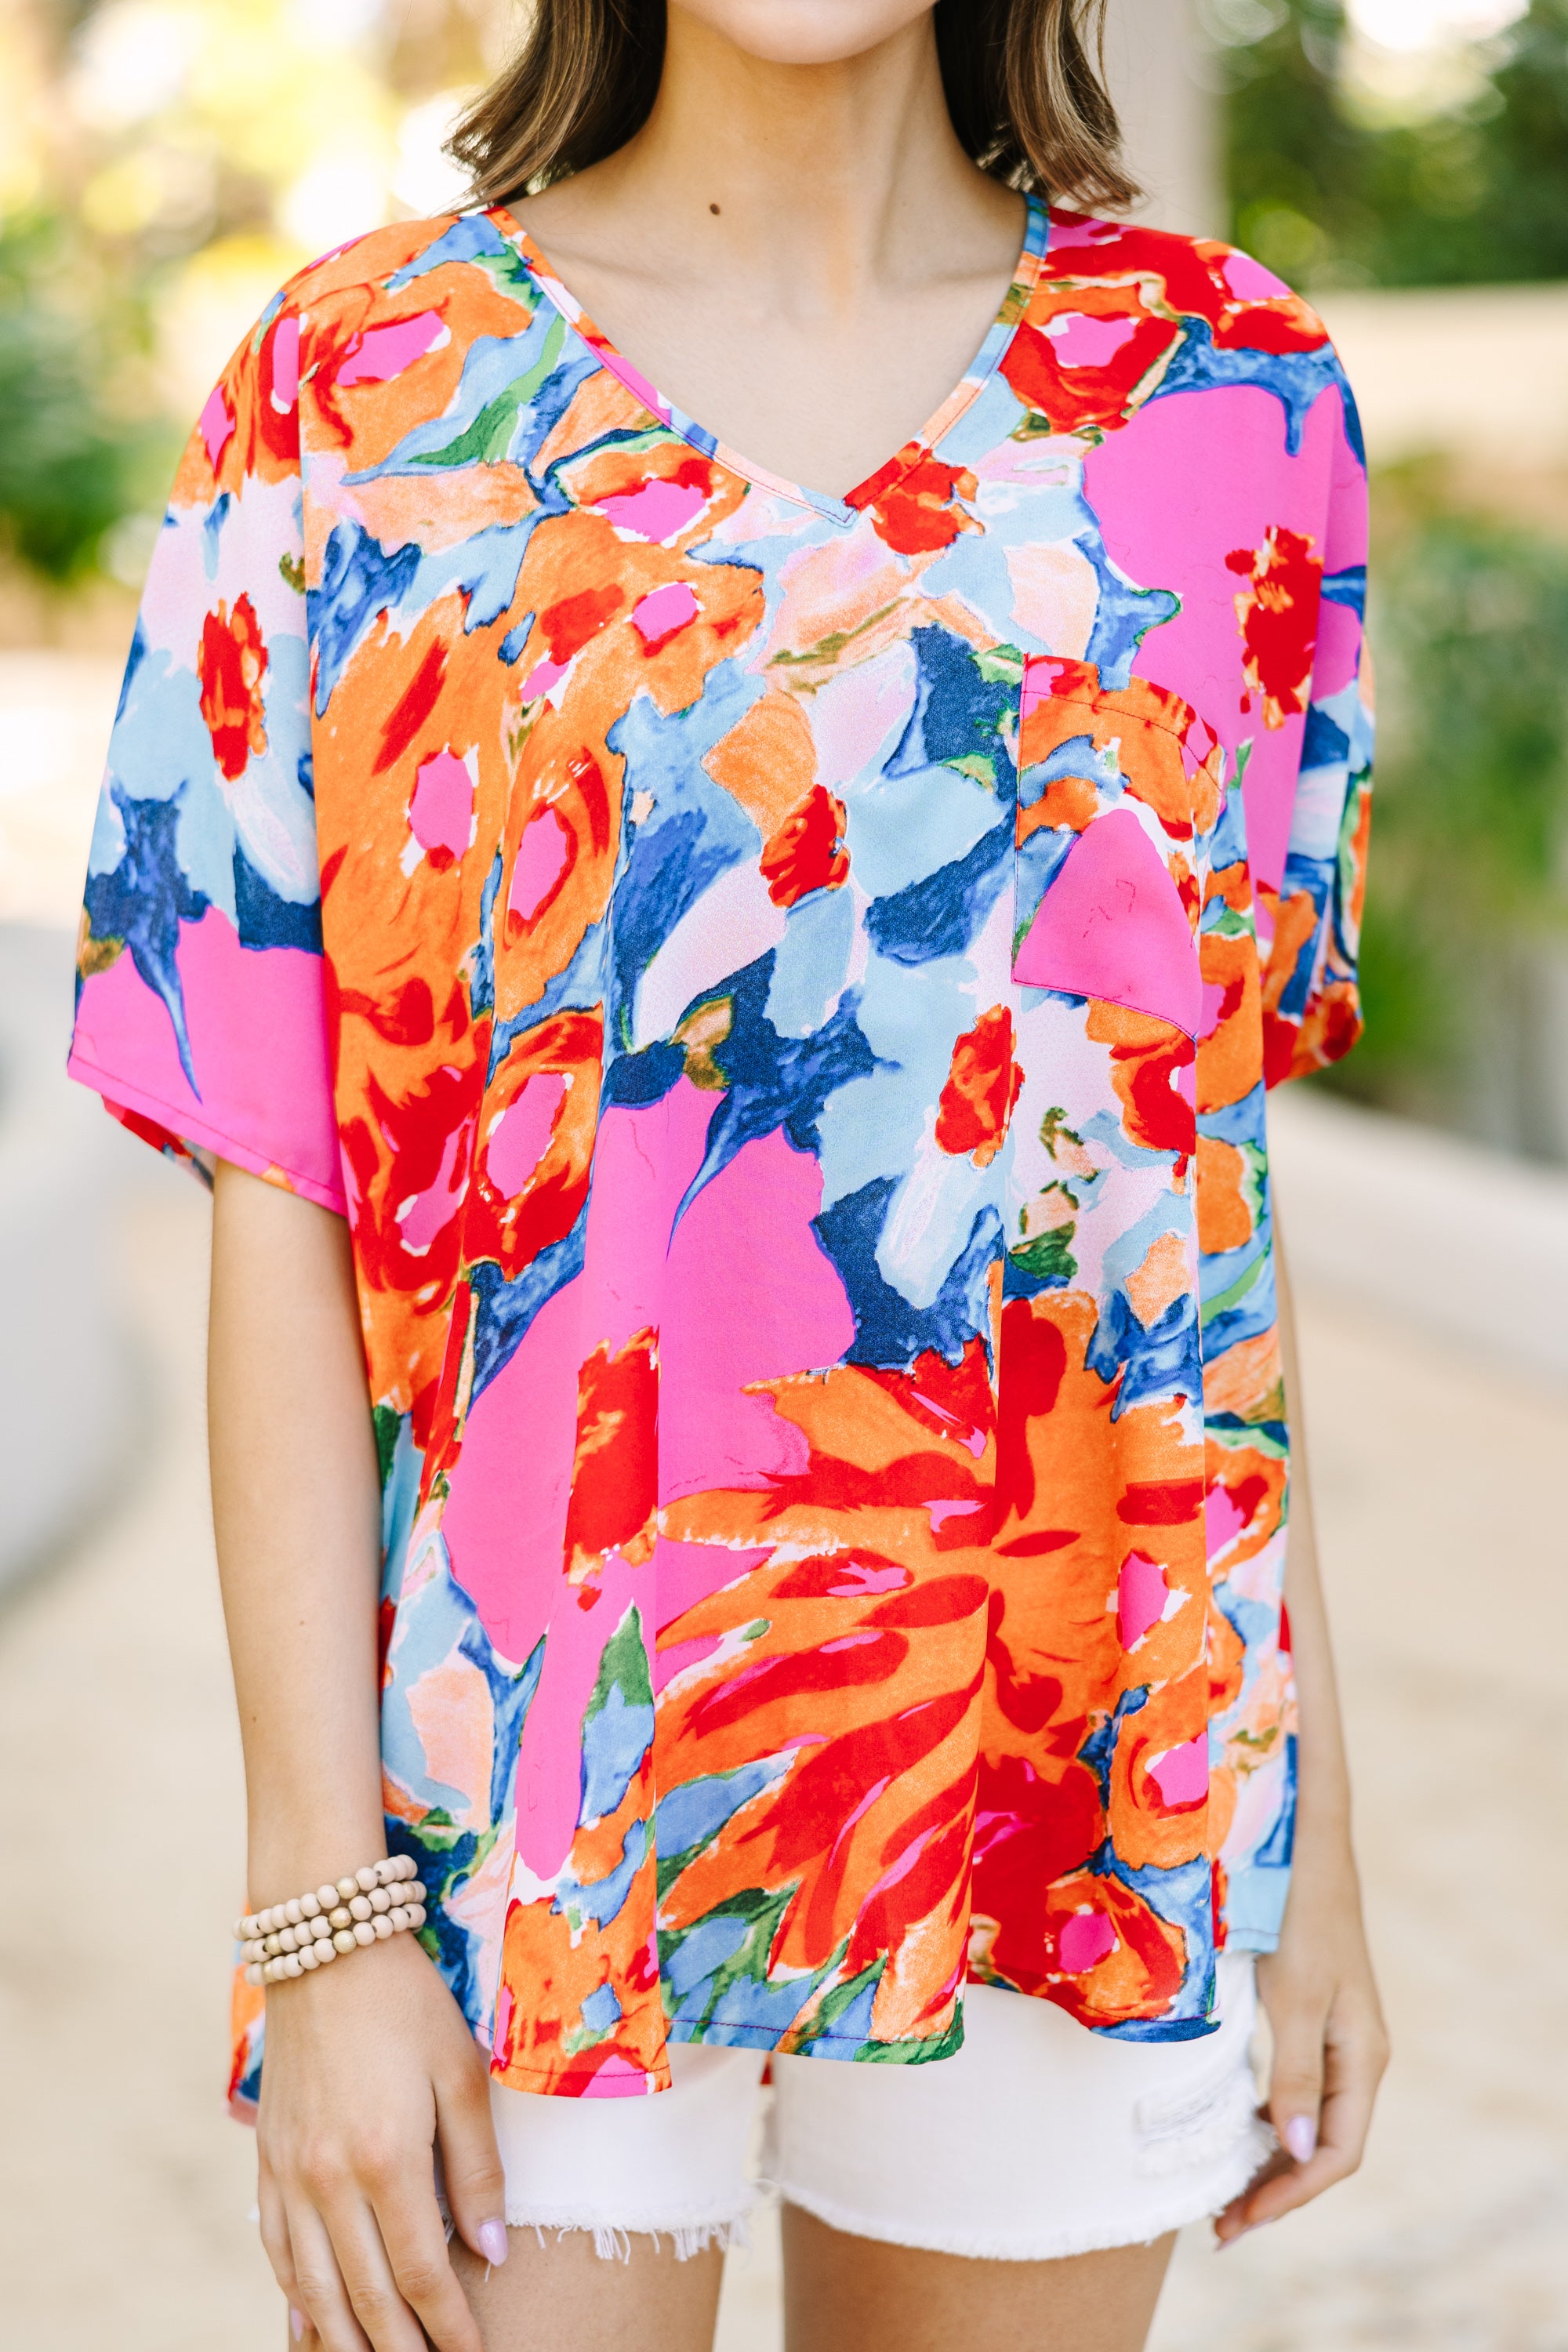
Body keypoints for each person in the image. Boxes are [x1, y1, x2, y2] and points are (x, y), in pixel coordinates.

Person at [67, 2, 1388, 2346]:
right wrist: (322, 1914)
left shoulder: (1234, 402)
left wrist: (1319, 1852)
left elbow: (1199, 1186)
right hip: (530, 1821)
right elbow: (277, 1190)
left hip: (1071, 1780)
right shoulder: (363, 396)